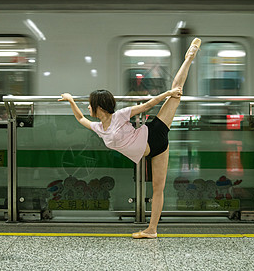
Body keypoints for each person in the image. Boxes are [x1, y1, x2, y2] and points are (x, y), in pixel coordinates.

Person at [59, 38, 201, 238]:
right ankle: (152, 231)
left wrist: (166, 93)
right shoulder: (99, 128)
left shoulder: (120, 115)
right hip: (155, 150)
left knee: (175, 95)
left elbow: (146, 107)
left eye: (90, 104)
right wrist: (70, 100)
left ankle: (189, 58)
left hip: (154, 134)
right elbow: (80, 118)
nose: (88, 107)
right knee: (158, 189)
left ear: (99, 107)